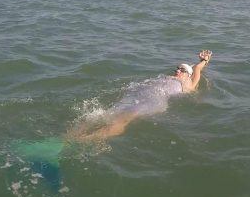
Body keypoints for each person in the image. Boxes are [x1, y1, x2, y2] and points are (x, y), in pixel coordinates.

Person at [66, 50, 213, 142]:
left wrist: (203, 61)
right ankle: (64, 140)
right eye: (177, 68)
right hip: (138, 94)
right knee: (103, 114)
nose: (178, 70)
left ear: (188, 75)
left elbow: (196, 69)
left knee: (124, 119)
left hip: (154, 101)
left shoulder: (188, 84)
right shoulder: (170, 77)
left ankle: (78, 142)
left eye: (182, 69)